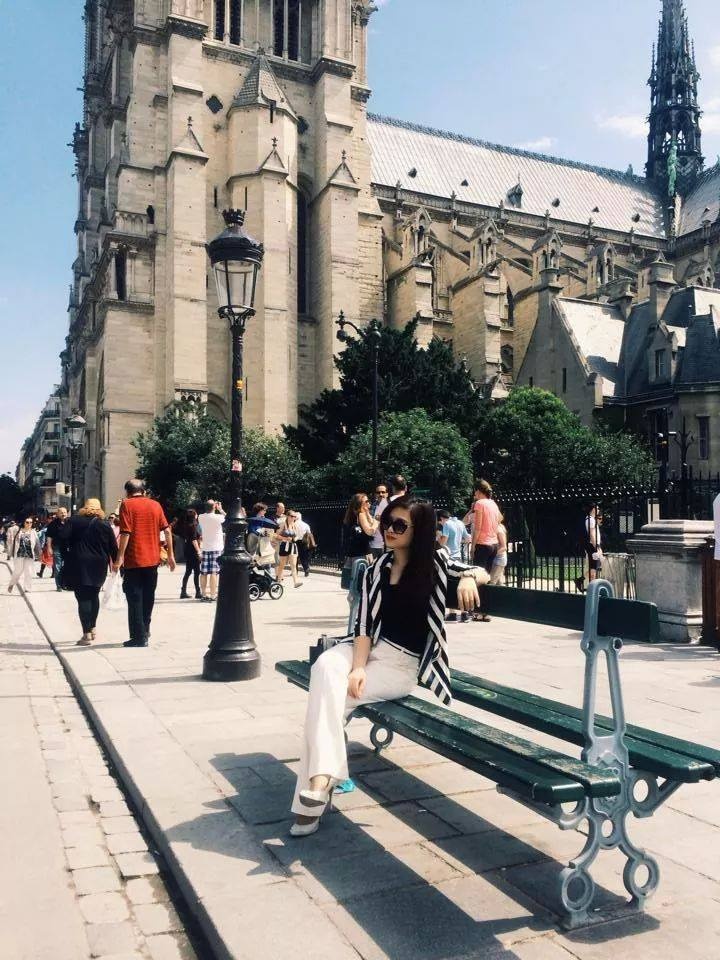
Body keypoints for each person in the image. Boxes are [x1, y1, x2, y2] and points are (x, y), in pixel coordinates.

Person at [290, 494, 489, 836]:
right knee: (324, 669)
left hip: (400, 666)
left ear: (419, 530)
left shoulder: (436, 561)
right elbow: (364, 626)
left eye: (400, 525)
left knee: (325, 701)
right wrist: (358, 667)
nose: (390, 530)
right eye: (387, 523)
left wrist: (469, 577)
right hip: (367, 651)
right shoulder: (378, 567)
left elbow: (481, 570)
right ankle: (321, 782)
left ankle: (315, 793)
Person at [113, 479, 175, 647]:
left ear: (127, 492)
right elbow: (167, 530)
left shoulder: (126, 505)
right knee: (149, 597)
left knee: (134, 598)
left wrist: (119, 558)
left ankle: (138, 637)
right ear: (144, 491)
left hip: (134, 559)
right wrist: (170, 555)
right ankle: (145, 630)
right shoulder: (155, 505)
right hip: (153, 559)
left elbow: (125, 533)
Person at [59, 499, 118, 646]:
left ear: (84, 507)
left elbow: (62, 538)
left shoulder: (73, 521)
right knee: (93, 595)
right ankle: (93, 628)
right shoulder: (104, 524)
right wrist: (116, 565)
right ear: (99, 509)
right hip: (99, 564)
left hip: (78, 563)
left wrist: (66, 556)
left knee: (82, 598)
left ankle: (86, 634)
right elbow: (113, 546)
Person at [470, 480, 501, 572]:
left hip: (482, 545)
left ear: (479, 491)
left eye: (475, 491)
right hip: (494, 544)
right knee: (487, 575)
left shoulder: (479, 503)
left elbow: (478, 528)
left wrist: (473, 547)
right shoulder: (493, 503)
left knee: (478, 575)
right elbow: (500, 518)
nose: (474, 493)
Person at [198, 500, 225, 601]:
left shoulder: (201, 517)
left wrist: (214, 507)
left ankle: (203, 594)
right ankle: (213, 595)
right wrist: (220, 509)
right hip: (216, 548)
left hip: (205, 547)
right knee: (214, 572)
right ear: (214, 507)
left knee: (203, 572)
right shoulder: (218, 517)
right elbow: (229, 519)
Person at [7, 516, 40, 593]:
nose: (29, 524)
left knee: (29, 572)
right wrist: (10, 551)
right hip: (19, 554)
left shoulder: (33, 532)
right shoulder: (18, 531)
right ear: (24, 523)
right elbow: (11, 541)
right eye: (27, 522)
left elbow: (37, 544)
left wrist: (39, 554)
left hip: (29, 555)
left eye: (31, 522)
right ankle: (12, 583)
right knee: (18, 571)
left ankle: (27, 588)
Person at [174, 508, 202, 600]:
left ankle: (183, 591)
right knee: (197, 571)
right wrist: (199, 551)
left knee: (188, 571)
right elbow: (194, 540)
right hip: (193, 550)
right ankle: (198, 592)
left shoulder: (186, 525)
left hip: (187, 549)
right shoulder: (193, 526)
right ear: (194, 516)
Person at [342, 493, 378, 563]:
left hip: (351, 555)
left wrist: (367, 513)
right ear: (360, 504)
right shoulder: (361, 515)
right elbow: (370, 531)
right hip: (362, 555)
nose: (369, 503)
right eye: (366, 501)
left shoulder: (352, 516)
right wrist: (376, 523)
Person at [276, 509, 304, 588]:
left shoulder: (294, 525)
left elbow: (297, 535)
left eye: (295, 517)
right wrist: (284, 538)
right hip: (284, 545)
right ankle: (279, 581)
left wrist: (295, 539)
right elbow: (276, 535)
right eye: (292, 516)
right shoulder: (283, 524)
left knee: (293, 565)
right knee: (282, 565)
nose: (293, 518)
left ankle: (296, 582)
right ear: (288, 516)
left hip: (293, 545)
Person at [369, 483, 389, 559]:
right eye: (378, 492)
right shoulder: (372, 506)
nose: (380, 494)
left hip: (386, 544)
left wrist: (383, 518)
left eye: (383, 492)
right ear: (375, 494)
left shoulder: (391, 506)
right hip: (372, 544)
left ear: (387, 494)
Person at [295, 511, 316, 577]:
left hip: (295, 541)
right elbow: (309, 533)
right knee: (303, 557)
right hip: (304, 542)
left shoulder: (293, 524)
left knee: (295, 557)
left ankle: (295, 571)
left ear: (296, 517)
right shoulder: (306, 524)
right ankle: (306, 569)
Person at [489, 514, 508, 586]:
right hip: (498, 559)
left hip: (499, 560)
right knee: (499, 583)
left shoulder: (499, 530)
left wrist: (493, 554)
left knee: (492, 582)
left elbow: (504, 547)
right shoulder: (498, 528)